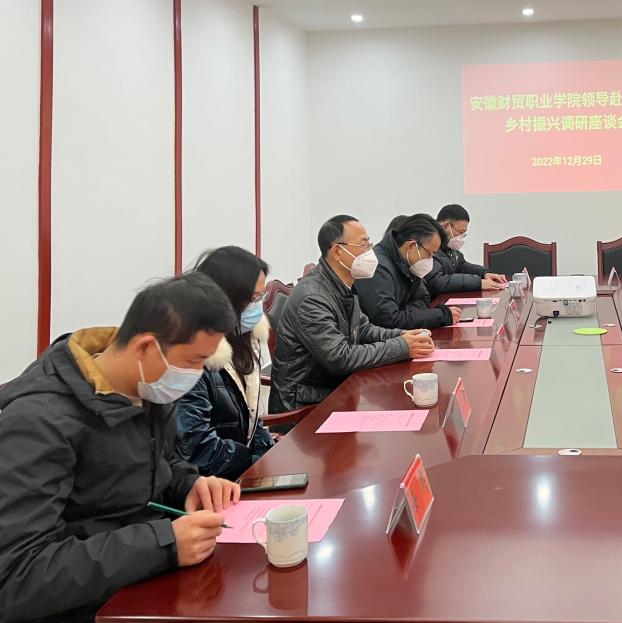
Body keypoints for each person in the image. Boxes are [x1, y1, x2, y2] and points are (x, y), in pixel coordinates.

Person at [0, 273, 242, 621]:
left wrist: (189, 485)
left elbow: (159, 464)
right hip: (93, 607)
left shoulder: (146, 388)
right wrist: (163, 544)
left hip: (145, 583)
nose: (197, 374)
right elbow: (18, 577)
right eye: (192, 362)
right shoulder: (38, 422)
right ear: (144, 347)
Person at [270, 215, 434, 413]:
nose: (370, 253)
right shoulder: (312, 298)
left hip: (334, 388)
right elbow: (340, 358)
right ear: (338, 252)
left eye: (369, 245)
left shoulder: (342, 282)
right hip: (306, 404)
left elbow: (363, 329)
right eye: (363, 246)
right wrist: (402, 346)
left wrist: (403, 336)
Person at [176, 247, 275, 481]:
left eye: (261, 298)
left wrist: (267, 451)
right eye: (252, 299)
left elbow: (251, 416)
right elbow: (198, 447)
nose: (257, 307)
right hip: (211, 482)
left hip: (239, 469)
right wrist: (253, 459)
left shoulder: (243, 335)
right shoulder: (193, 353)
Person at [358, 213, 462, 330]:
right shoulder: (377, 267)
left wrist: (405, 314)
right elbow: (388, 320)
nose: (431, 260)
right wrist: (441, 315)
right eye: (429, 254)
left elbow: (423, 299)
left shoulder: (409, 262)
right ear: (412, 246)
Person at [425, 203, 508, 295]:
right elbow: (437, 281)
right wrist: (478, 283)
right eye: (461, 232)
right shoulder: (429, 247)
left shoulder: (448, 247)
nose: (461, 237)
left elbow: (461, 265)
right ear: (446, 226)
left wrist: (484, 273)